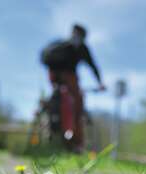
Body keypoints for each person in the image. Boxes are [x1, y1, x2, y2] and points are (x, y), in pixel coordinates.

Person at [42, 24, 105, 152]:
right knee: (75, 102)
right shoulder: (68, 46)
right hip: (63, 76)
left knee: (68, 100)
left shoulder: (73, 47)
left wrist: (99, 81)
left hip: (60, 76)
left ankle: (72, 139)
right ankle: (74, 141)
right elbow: (93, 67)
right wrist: (100, 83)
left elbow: (93, 66)